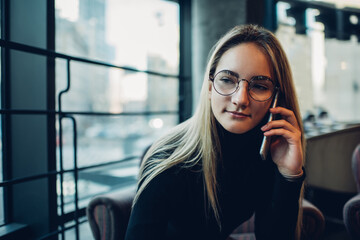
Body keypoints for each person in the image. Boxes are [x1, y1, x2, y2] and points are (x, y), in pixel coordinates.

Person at [125, 24, 305, 240]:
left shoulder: (269, 151)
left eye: (259, 86)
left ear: (276, 97)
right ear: (210, 87)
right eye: (227, 80)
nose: (240, 99)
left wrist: (289, 175)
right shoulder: (169, 158)